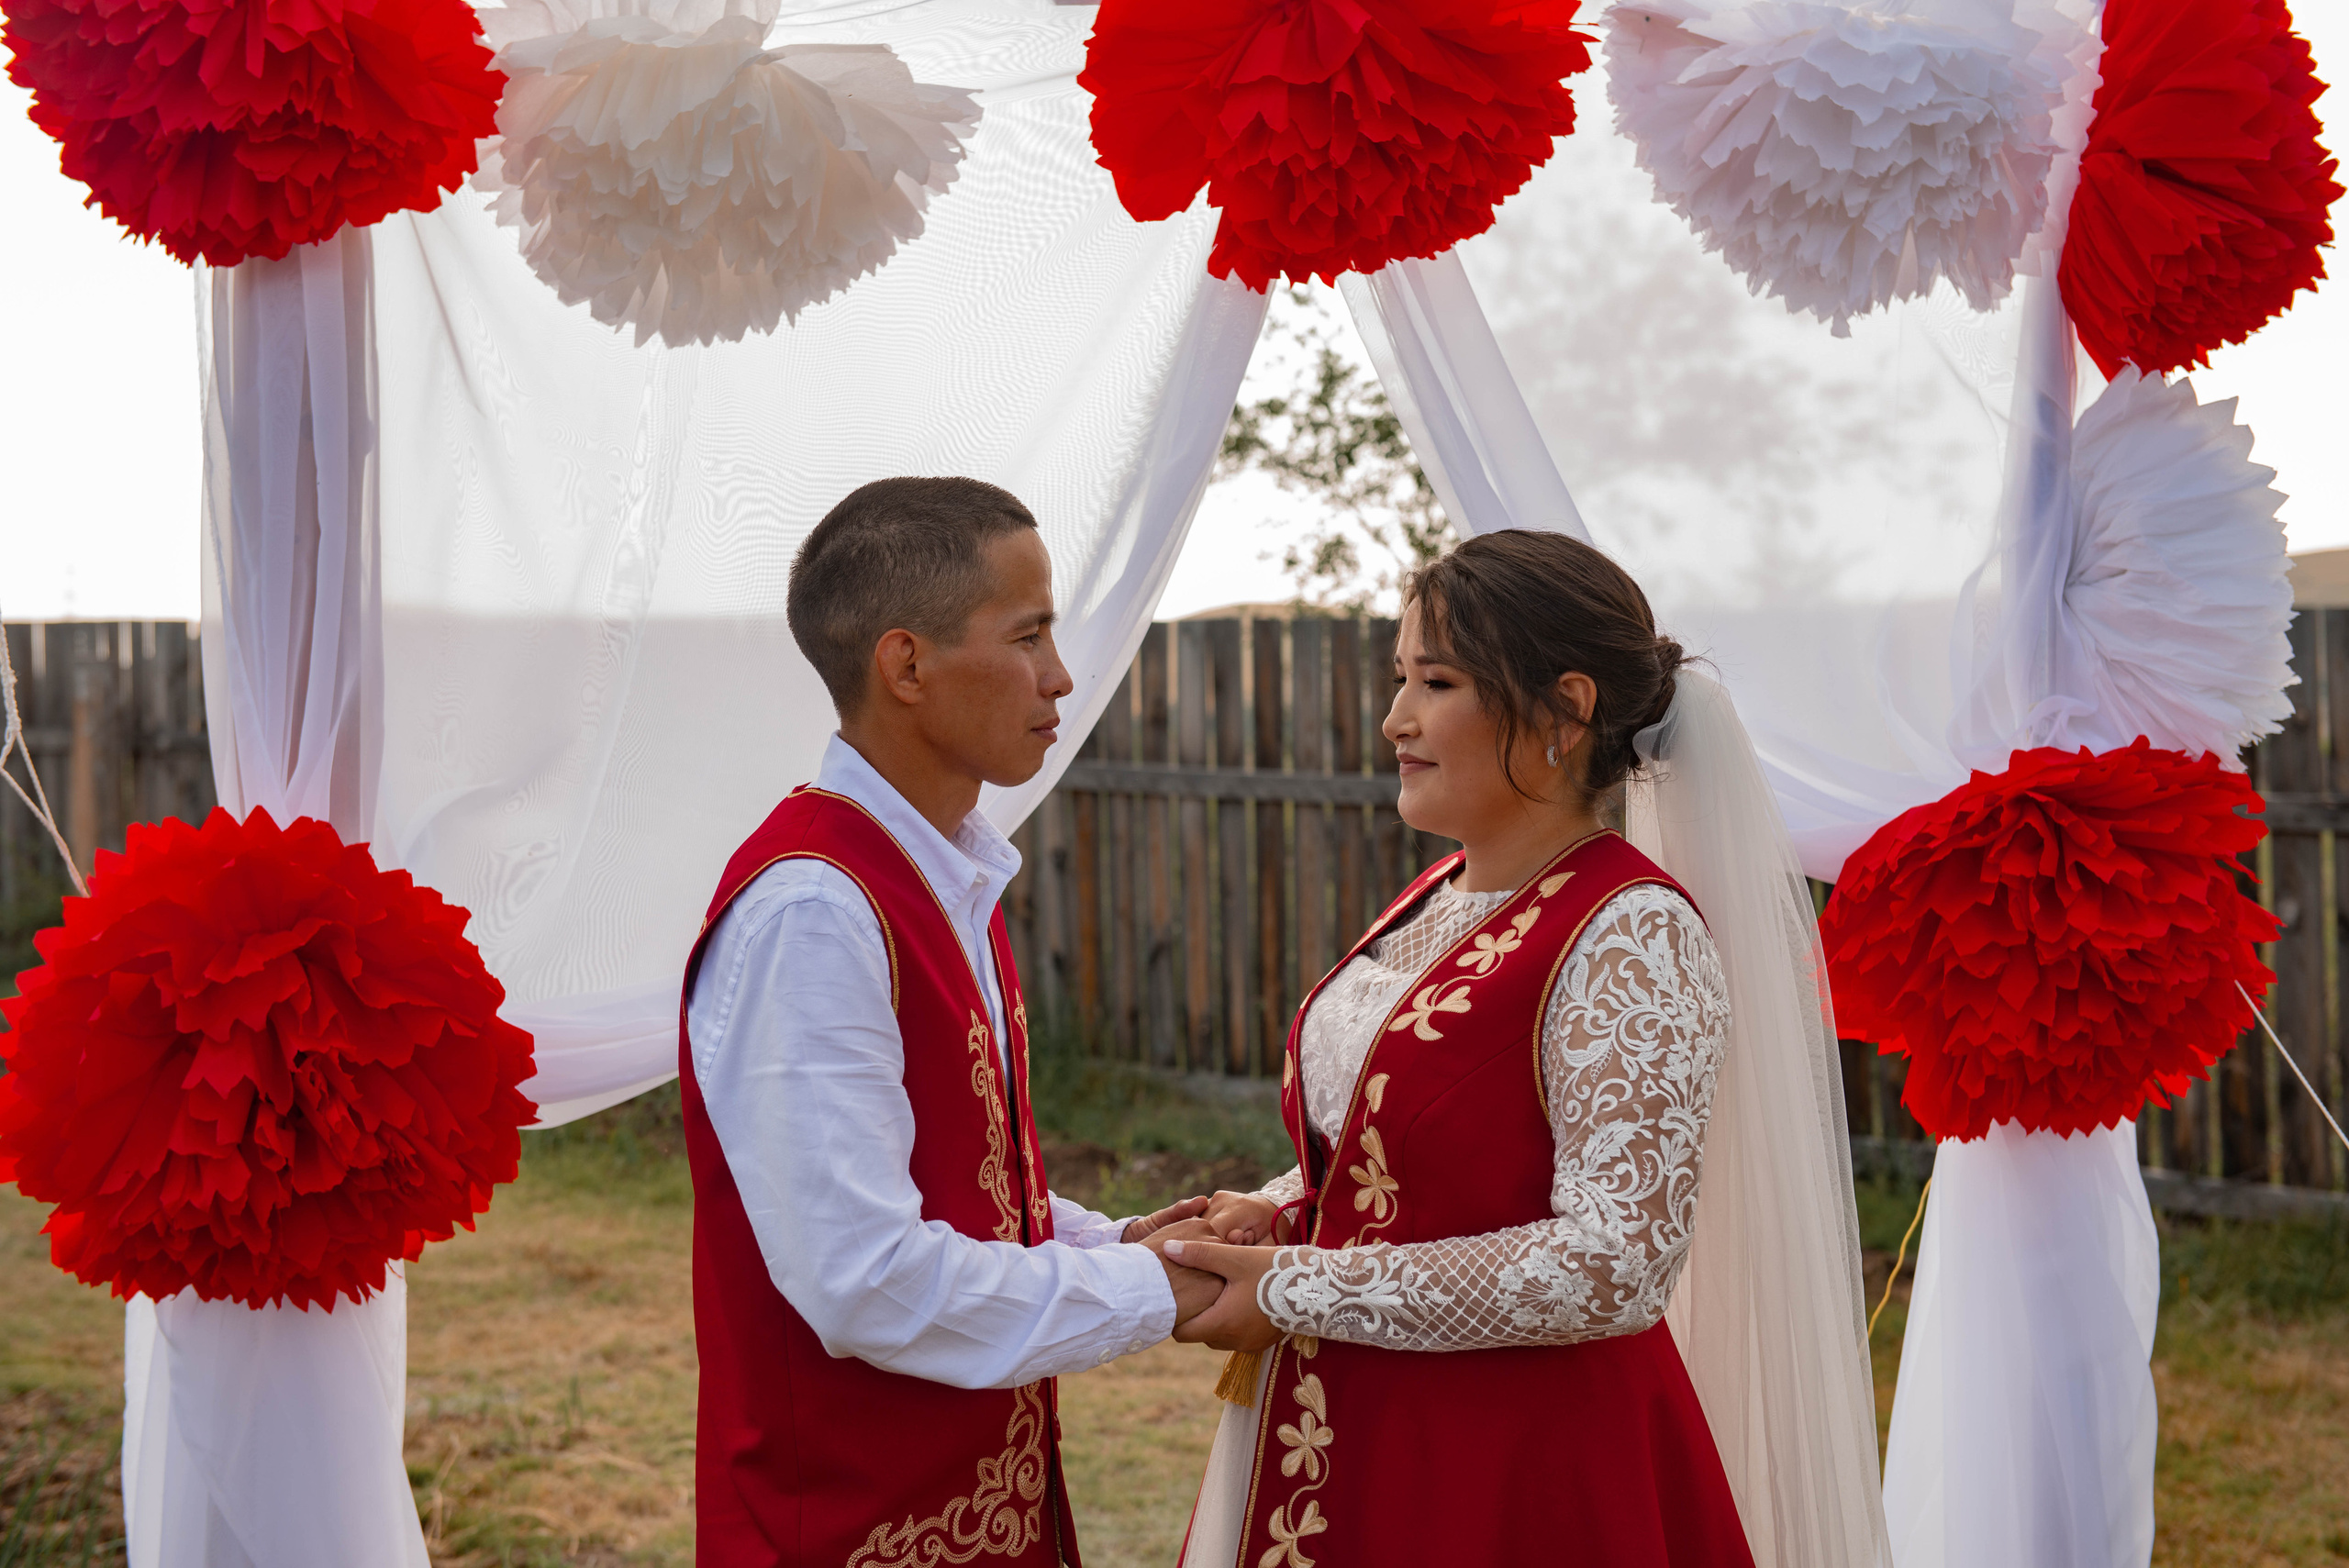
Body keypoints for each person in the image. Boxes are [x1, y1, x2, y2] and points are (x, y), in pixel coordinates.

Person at [1163, 530, 1892, 1568]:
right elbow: (1408, 1141)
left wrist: (1291, 1284)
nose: (1395, 719)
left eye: (1438, 681)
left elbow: (1615, 1261)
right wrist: (1284, 1205)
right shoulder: (1437, 896)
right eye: (1400, 678)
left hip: (1510, 1461)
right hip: (1346, 1421)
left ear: (1566, 709)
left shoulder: (1631, 932)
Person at [677, 476, 1223, 1567]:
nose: (1060, 676)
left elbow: (958, 1181)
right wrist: (1165, 1289)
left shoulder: (941, 873)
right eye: (1027, 635)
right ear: (906, 664)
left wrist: (1123, 1241)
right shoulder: (815, 910)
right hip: (848, 1528)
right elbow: (865, 1279)